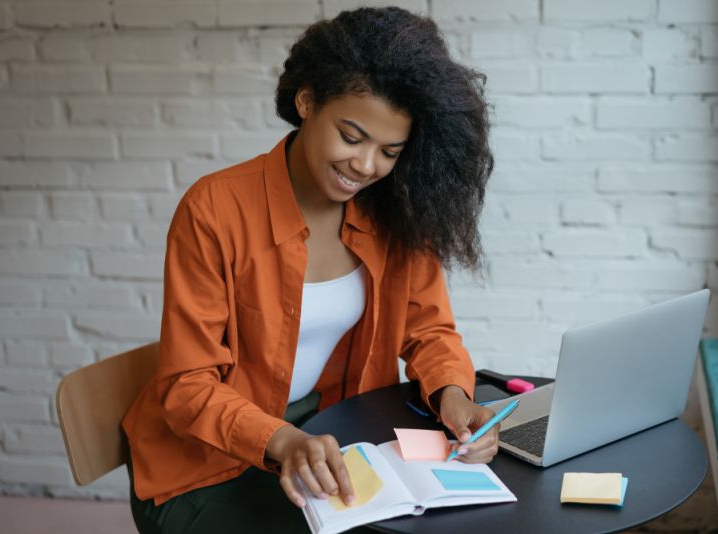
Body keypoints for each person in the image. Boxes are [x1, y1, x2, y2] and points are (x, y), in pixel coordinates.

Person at [122, 6, 495, 533]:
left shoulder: (395, 210)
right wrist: (283, 442)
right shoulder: (214, 209)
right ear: (307, 101)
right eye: (351, 136)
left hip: (334, 437)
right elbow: (187, 385)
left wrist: (454, 397)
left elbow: (428, 329)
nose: (366, 166)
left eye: (390, 151)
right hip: (208, 465)